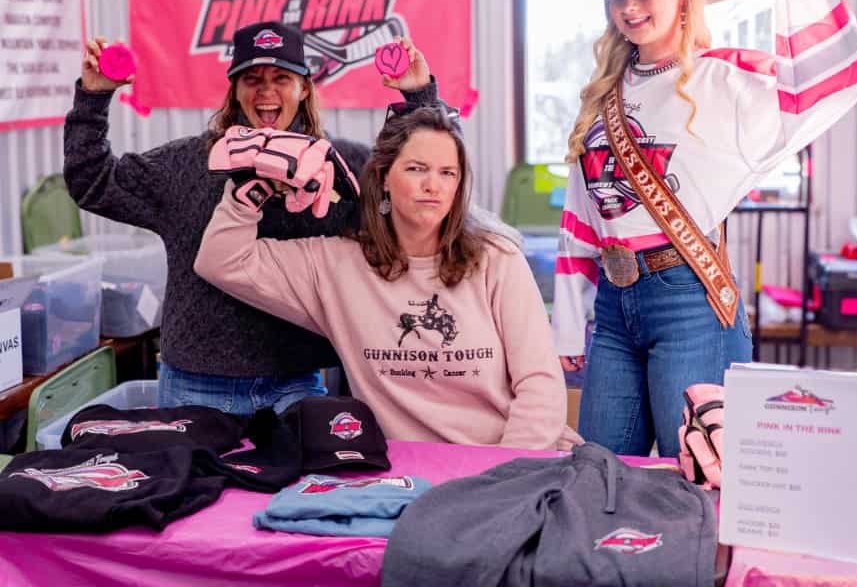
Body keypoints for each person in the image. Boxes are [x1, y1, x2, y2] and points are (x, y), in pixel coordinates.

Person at [551, 0, 857, 457]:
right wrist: (566, 321)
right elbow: (581, 220)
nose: (628, 6)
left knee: (697, 477)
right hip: (611, 308)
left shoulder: (726, 81)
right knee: (596, 473)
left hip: (688, 302)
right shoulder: (600, 96)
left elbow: (835, 76)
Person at [194, 48, 577, 449]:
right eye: (416, 169)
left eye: (448, 173)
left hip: (508, 462)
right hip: (403, 473)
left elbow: (540, 386)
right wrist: (255, 189)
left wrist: (498, 477)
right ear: (385, 178)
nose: (434, 185)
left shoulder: (497, 258)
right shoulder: (337, 264)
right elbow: (221, 261)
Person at [64, 21, 438, 414]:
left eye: (281, 77)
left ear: (304, 88)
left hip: (296, 385)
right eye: (251, 78)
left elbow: (420, 180)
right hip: (196, 387)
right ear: (235, 90)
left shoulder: (336, 164)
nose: (266, 90)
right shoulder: (189, 163)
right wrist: (94, 97)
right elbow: (93, 181)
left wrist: (417, 96)